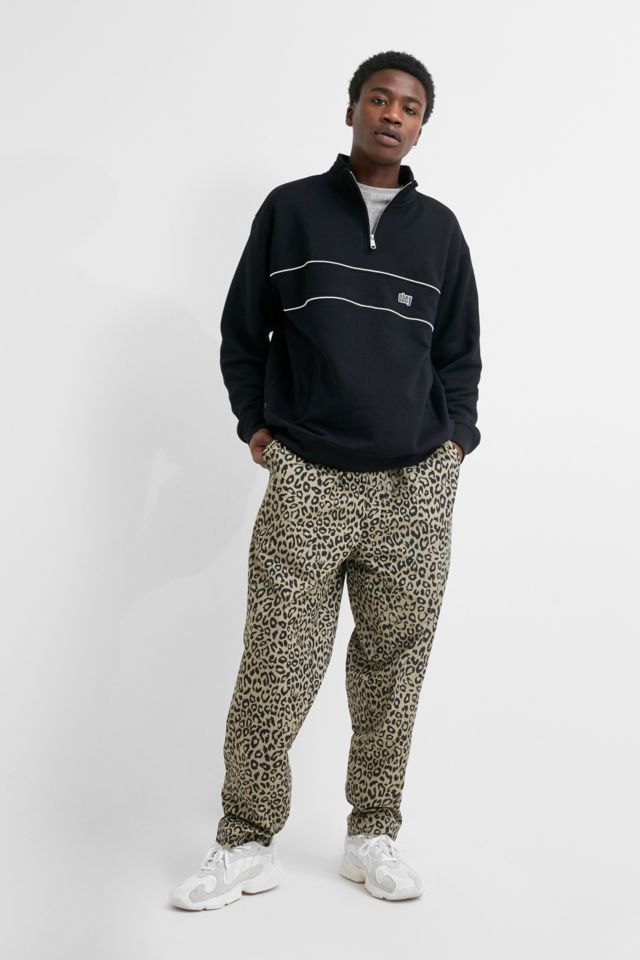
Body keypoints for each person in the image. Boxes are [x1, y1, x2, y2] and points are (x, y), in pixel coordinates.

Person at [171, 48, 481, 910]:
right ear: (351, 110)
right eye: (379, 99)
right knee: (276, 663)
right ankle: (244, 842)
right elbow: (243, 333)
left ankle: (372, 833)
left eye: (410, 106)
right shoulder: (292, 211)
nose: (393, 114)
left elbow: (460, 354)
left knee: (393, 667)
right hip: (308, 474)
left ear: (422, 127)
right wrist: (257, 426)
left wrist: (455, 444)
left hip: (415, 484)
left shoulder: (440, 231)